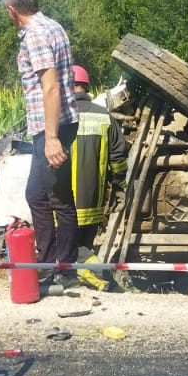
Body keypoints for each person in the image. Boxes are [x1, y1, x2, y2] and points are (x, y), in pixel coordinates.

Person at [4, 0, 80, 290]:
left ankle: (66, 272)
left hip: (52, 127)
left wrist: (51, 139)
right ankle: (47, 267)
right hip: (50, 126)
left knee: (59, 199)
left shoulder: (34, 34)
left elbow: (51, 86)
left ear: (12, 10)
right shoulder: (52, 26)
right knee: (35, 195)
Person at [70, 65, 129, 245]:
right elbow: (118, 157)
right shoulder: (104, 116)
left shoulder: (59, 116)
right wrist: (121, 185)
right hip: (93, 205)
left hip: (63, 207)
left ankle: (82, 271)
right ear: (86, 87)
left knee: (69, 251)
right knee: (85, 246)